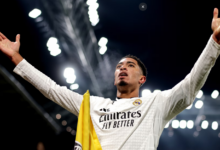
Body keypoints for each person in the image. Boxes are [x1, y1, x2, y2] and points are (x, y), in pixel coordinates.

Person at [0, 7, 220, 150]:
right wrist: (17, 58)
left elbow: (191, 84)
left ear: (142, 79)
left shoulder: (157, 104)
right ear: (114, 78)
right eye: (119, 66)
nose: (122, 68)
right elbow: (52, 89)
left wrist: (215, 41)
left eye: (130, 66)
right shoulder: (92, 105)